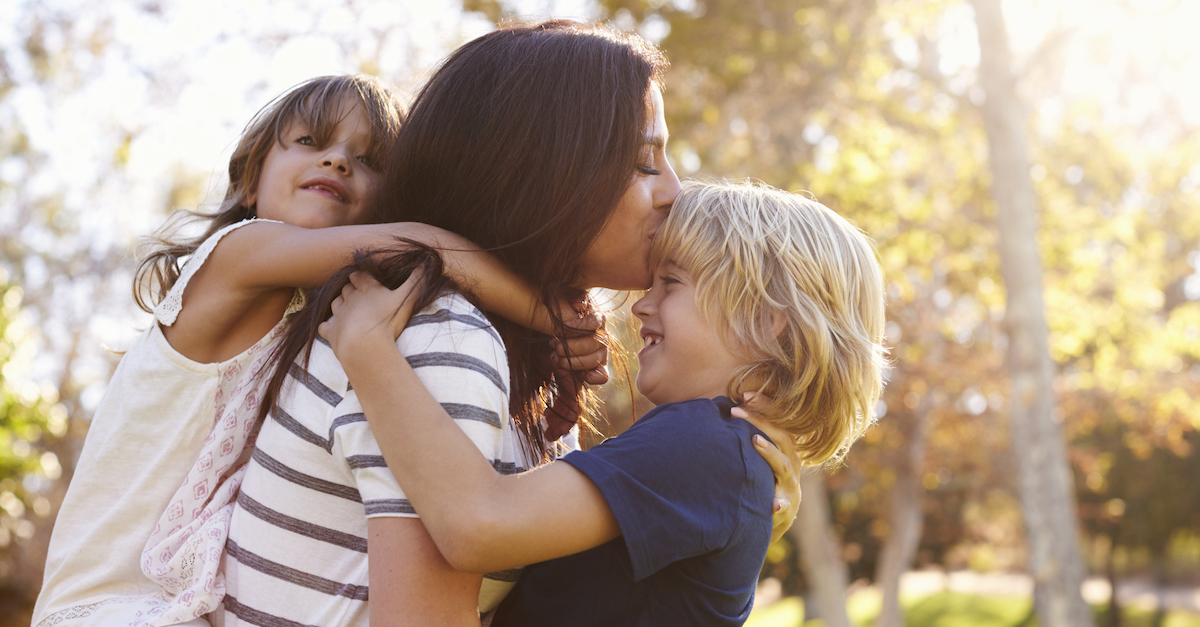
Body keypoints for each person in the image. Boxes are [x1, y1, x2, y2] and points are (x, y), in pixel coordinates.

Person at [215, 22, 803, 627]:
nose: (674, 191)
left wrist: (724, 502)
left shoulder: (505, 352)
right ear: (539, 173)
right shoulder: (442, 343)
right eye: (642, 161)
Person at [32, 74, 589, 627]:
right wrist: (554, 320)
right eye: (310, 142)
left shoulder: (317, 320)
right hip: (109, 604)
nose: (338, 162)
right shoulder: (235, 254)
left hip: (186, 603)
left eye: (368, 160)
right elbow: (426, 249)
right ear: (252, 180)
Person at [320, 179, 888, 626]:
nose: (641, 306)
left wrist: (367, 349)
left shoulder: (705, 443)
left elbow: (479, 523)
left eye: (671, 283)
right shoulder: (723, 455)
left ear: (766, 323)